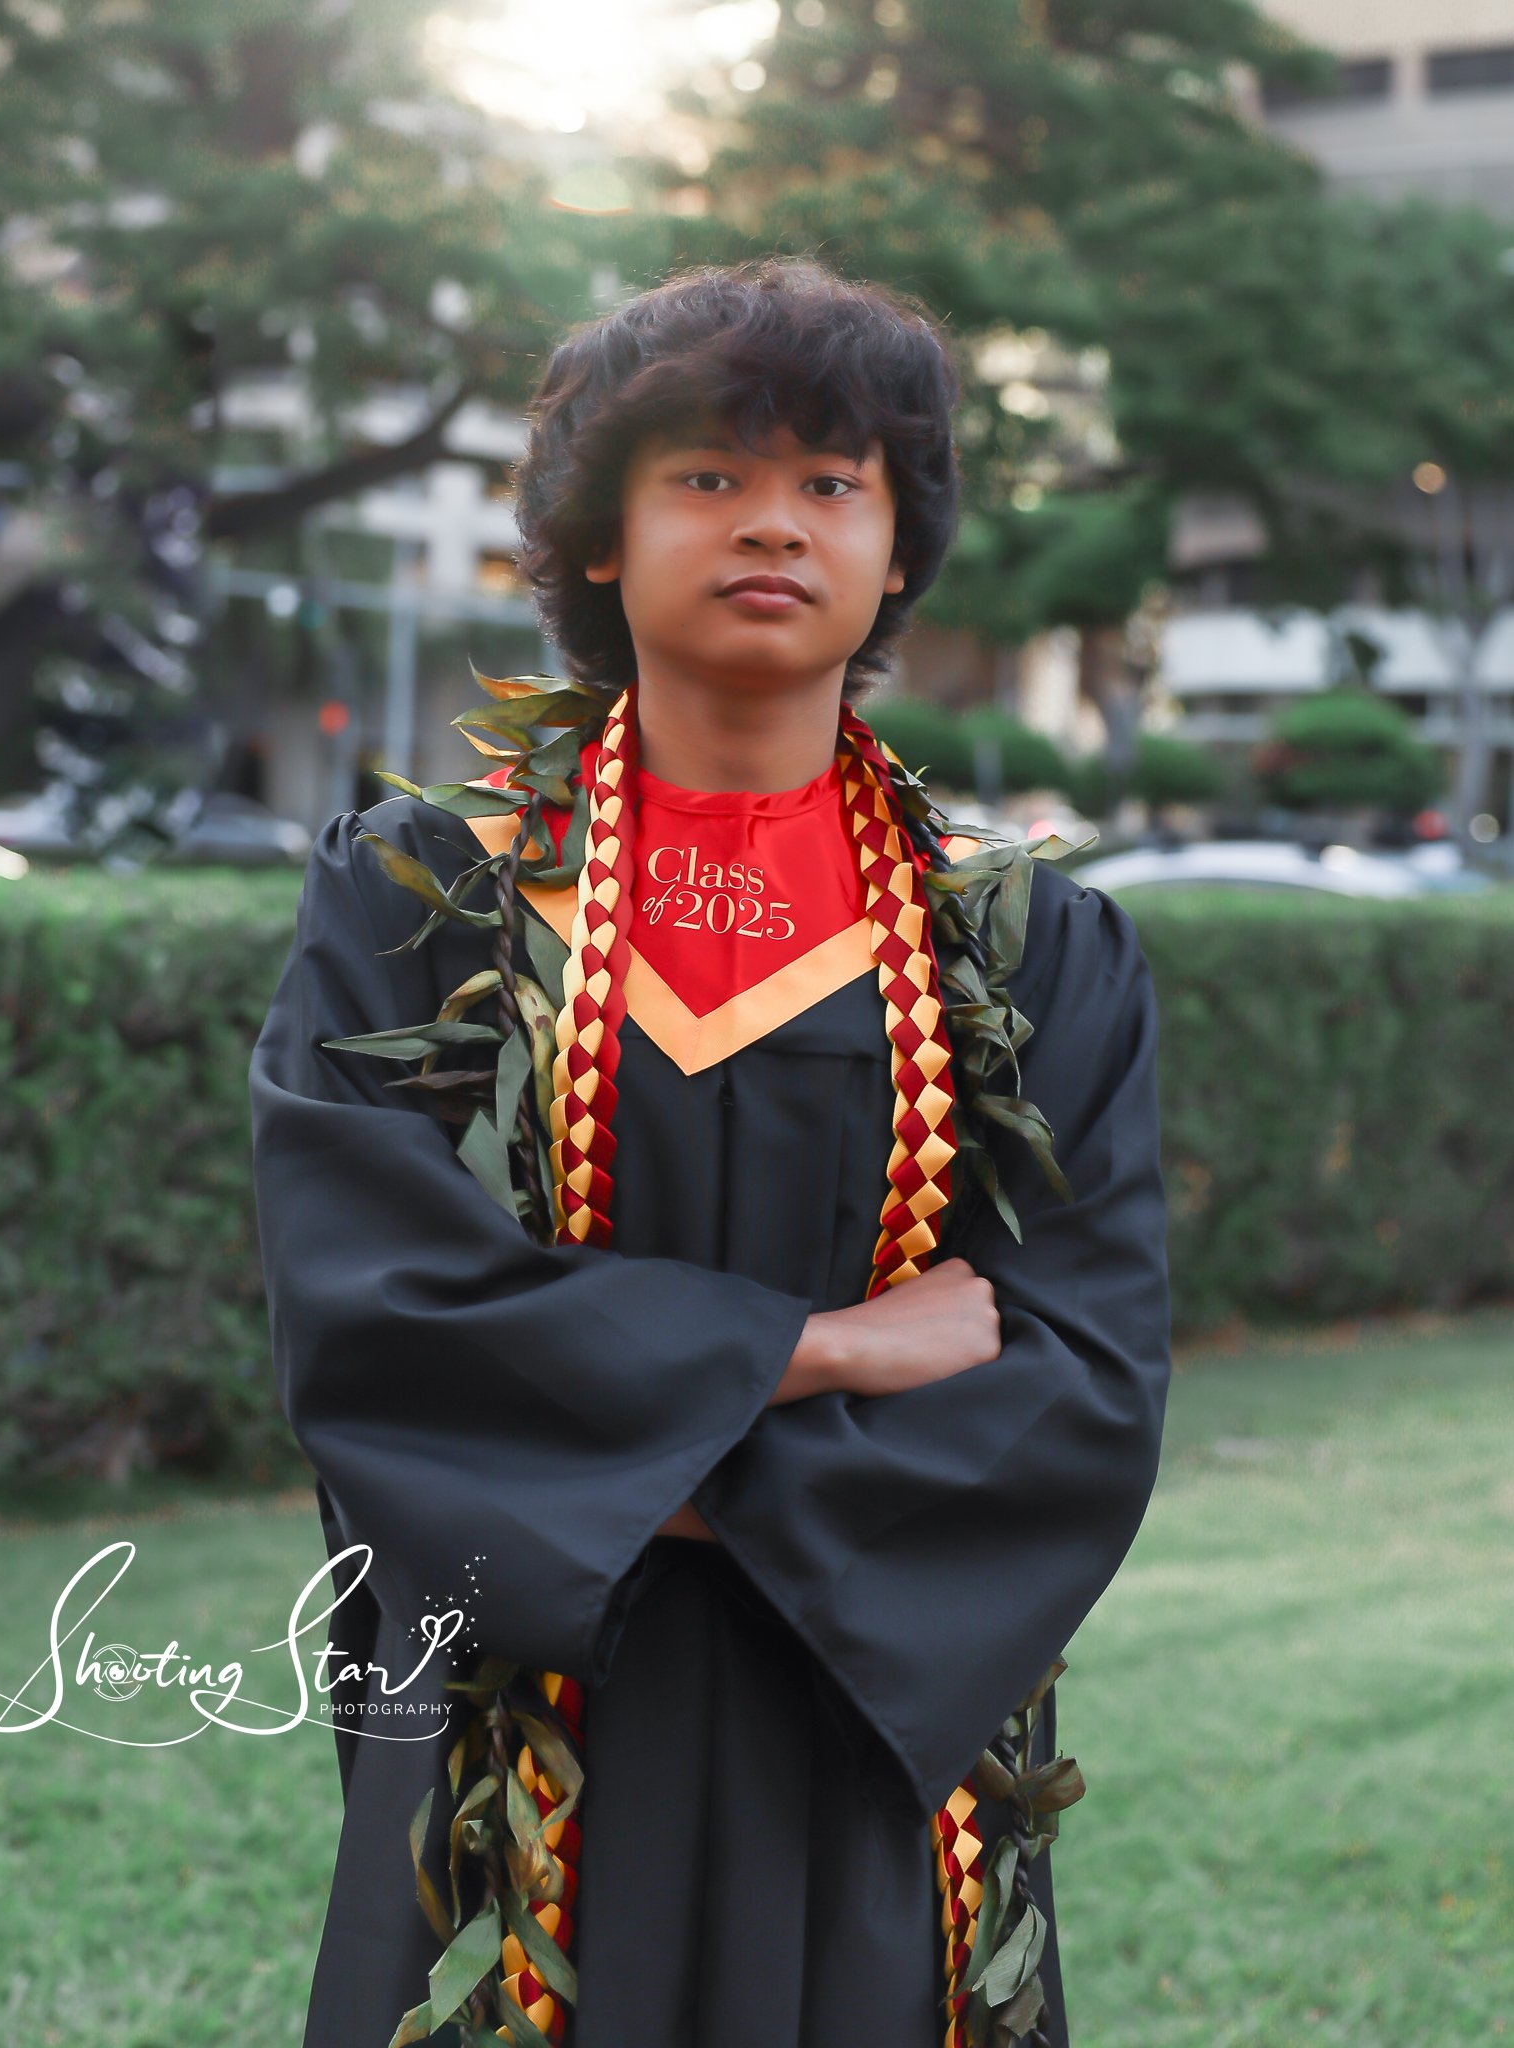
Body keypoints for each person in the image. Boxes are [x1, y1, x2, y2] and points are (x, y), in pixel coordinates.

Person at [248, 255, 1171, 2048]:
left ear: (897, 551)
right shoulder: (417, 900)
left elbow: (1080, 1369)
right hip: (544, 1685)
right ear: (602, 534)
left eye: (831, 483)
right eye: (706, 477)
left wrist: (644, 1468)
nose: (772, 525)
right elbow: (365, 1306)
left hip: (871, 1691)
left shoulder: (1027, 945)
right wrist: (815, 1351)